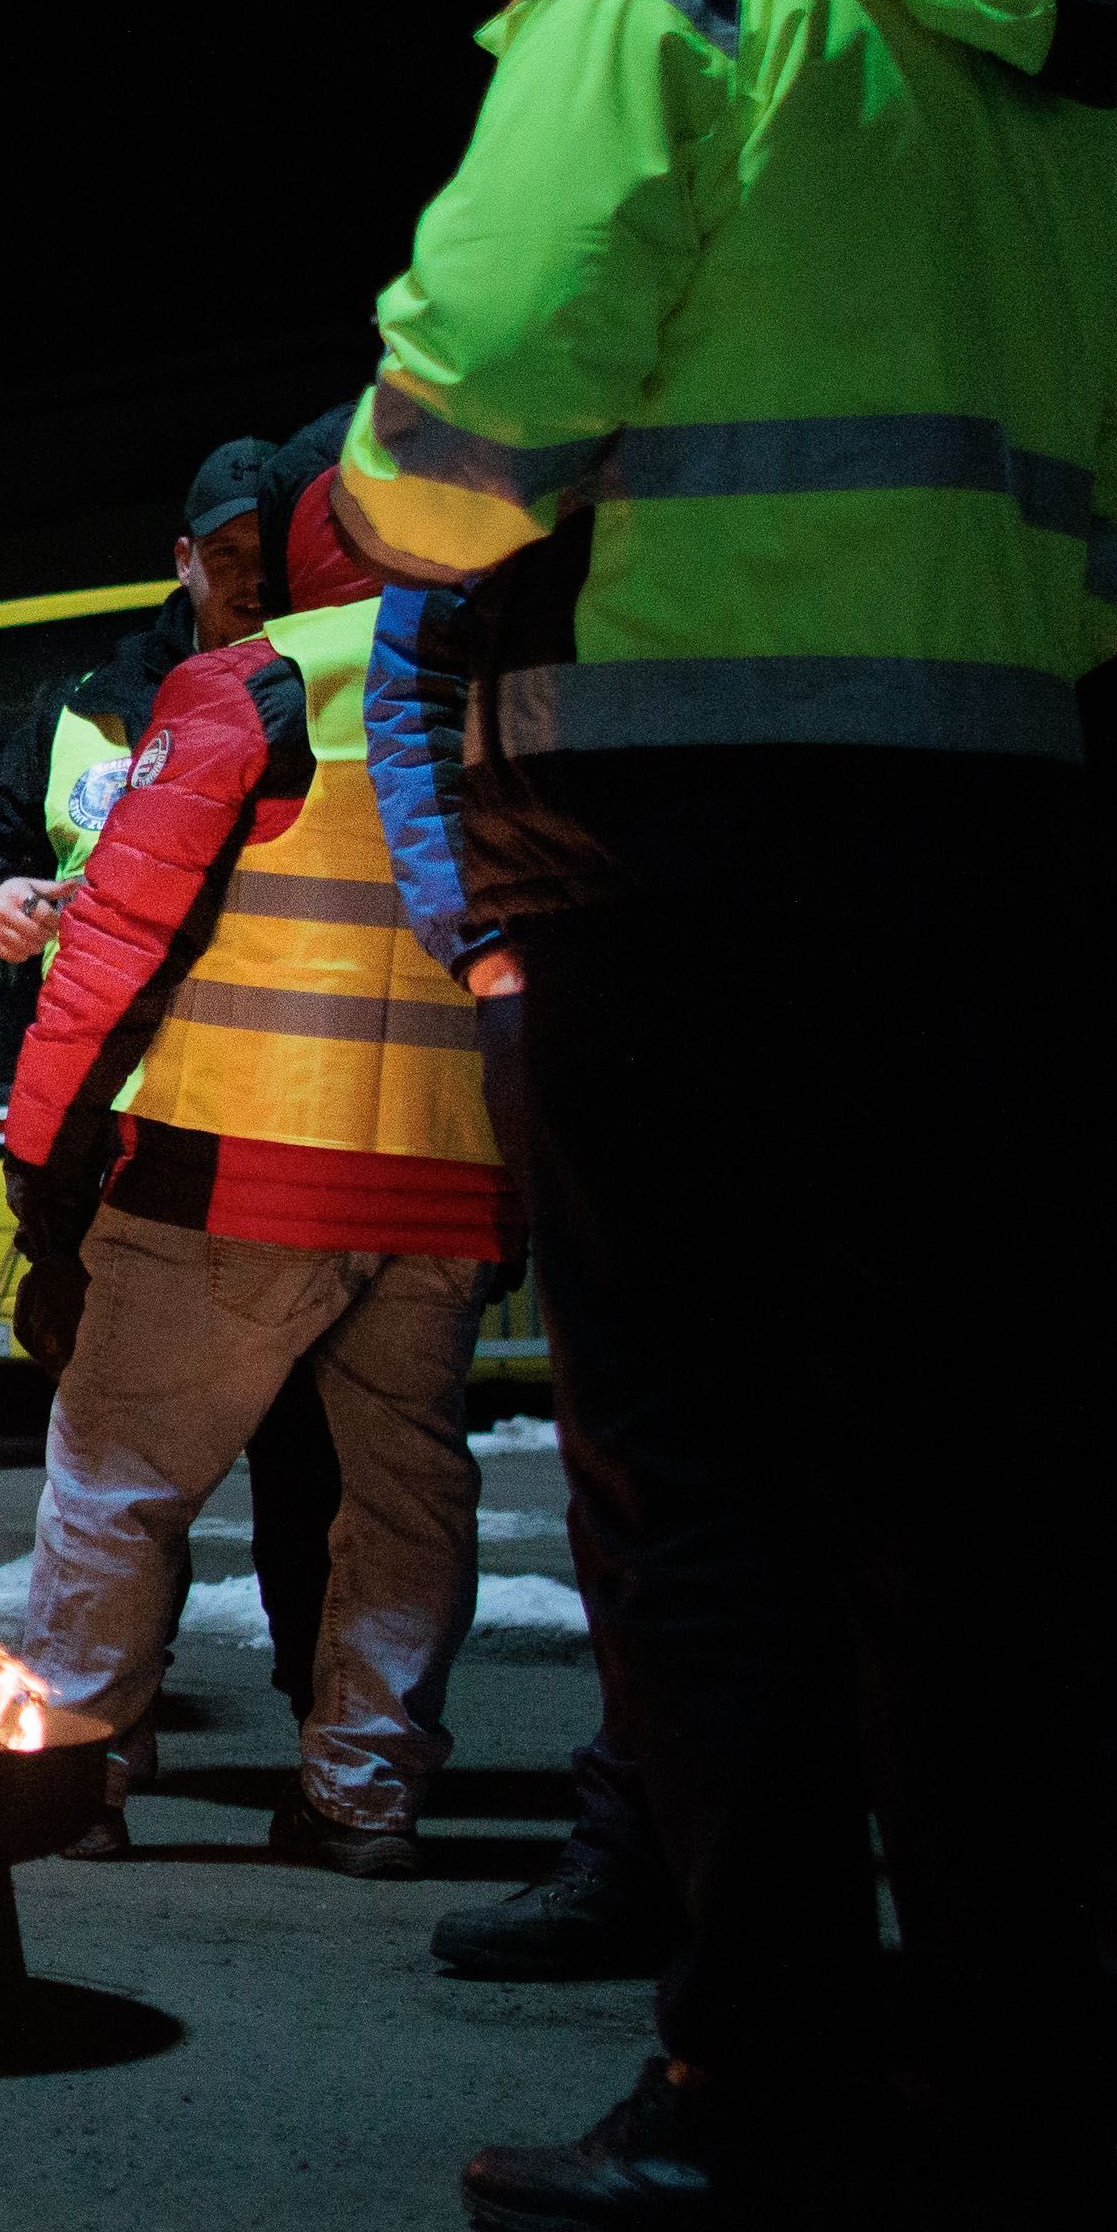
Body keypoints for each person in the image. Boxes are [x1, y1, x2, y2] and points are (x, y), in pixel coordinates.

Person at [332, 0, 1117, 2232]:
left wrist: (418, 518)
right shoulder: (1056, 89)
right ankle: (1012, 2086)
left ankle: (757, 2080)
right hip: (984, 844)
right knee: (956, 1482)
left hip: (667, 835)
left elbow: (472, 398)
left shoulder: (665, 7)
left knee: (695, 1469)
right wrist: (962, 668)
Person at [5, 471, 510, 1875]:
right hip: (446, 1185)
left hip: (233, 1170)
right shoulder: (514, 683)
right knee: (406, 1503)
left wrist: (46, 1157)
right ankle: (364, 1795)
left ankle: (72, 1768)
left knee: (118, 1481)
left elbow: (112, 948)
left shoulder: (254, 687)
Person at [371, 579, 680, 1984]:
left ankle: (761, 2018)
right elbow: (417, 671)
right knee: (667, 1458)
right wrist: (486, 931)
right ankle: (664, 1855)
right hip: (612, 933)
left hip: (714, 924)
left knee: (687, 1461)